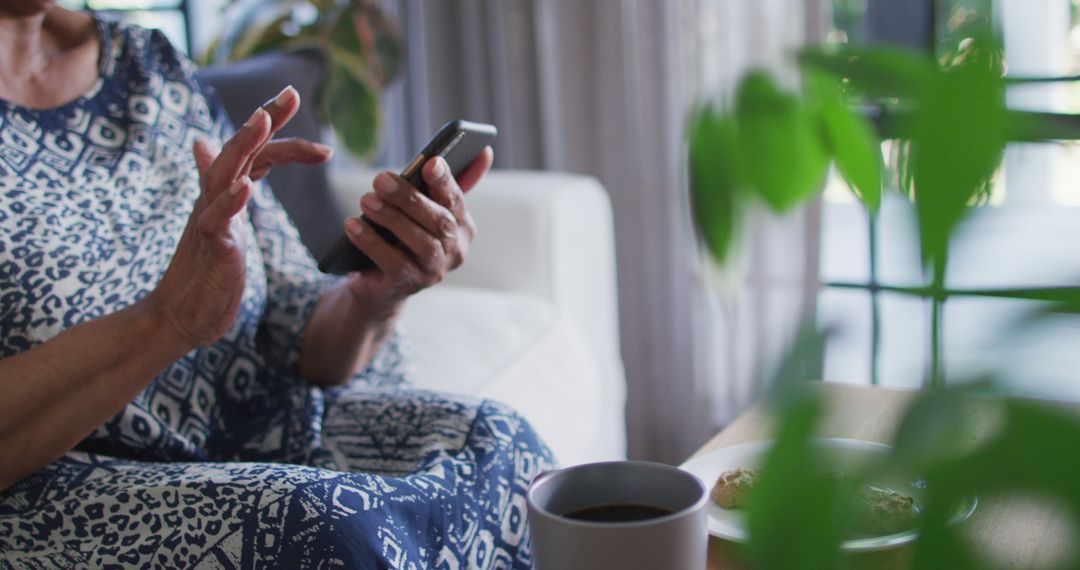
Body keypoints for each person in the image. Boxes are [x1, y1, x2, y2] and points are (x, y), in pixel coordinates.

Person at [0, 3, 553, 568]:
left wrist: (380, 293)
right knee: (325, 528)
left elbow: (299, 334)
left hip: (252, 427)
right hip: (61, 485)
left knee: (504, 447)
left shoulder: (147, 64)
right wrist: (167, 321)